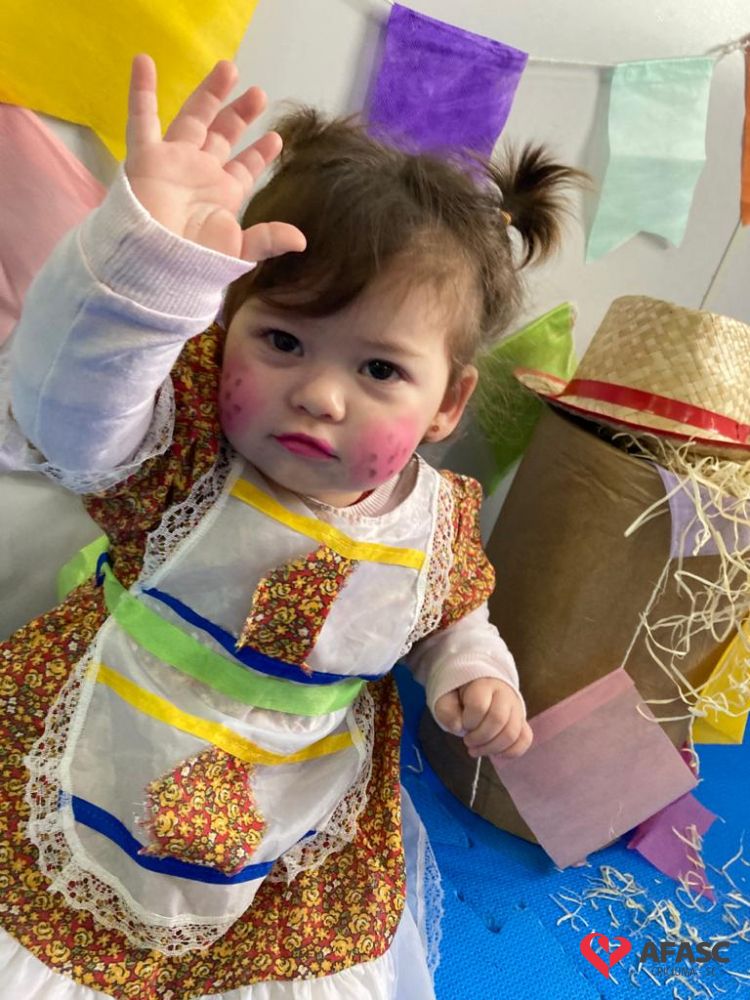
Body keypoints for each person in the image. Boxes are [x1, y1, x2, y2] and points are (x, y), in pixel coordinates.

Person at [0, 55, 582, 999]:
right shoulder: (183, 446)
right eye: (282, 340)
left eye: (379, 370)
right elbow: (65, 410)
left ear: (448, 403)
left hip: (289, 809)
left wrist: (474, 674)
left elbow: (448, 618)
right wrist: (145, 266)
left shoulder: (437, 521)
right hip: (110, 744)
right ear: (224, 325)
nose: (319, 394)